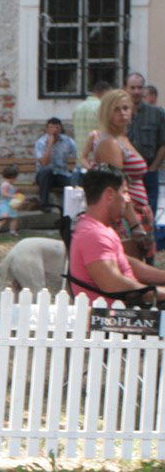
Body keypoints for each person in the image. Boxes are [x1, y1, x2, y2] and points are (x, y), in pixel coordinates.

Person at [68, 164, 165, 303]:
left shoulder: (102, 228)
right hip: (110, 320)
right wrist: (157, 293)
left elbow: (131, 266)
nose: (128, 200)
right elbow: (115, 286)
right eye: (125, 192)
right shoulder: (94, 235)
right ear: (109, 194)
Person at [93, 88, 155, 261]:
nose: (122, 113)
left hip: (138, 211)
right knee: (132, 271)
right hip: (124, 217)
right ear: (107, 112)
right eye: (116, 109)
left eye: (125, 108)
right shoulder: (109, 143)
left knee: (143, 269)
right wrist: (134, 223)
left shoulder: (122, 138)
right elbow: (119, 186)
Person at [125, 73, 165, 232]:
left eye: (139, 88)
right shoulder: (120, 112)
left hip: (149, 173)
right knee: (128, 221)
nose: (136, 91)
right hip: (126, 176)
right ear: (125, 89)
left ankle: (148, 255)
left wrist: (154, 167)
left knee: (149, 219)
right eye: (132, 87)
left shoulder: (156, 114)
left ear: (144, 90)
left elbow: (163, 144)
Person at [33, 117, 77, 211]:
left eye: (56, 127)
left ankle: (69, 211)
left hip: (61, 174)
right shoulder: (41, 142)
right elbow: (44, 163)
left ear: (60, 129)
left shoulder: (67, 141)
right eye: (51, 127)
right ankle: (44, 205)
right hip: (44, 175)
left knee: (73, 181)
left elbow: (78, 154)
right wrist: (50, 144)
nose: (54, 130)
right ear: (47, 129)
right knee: (47, 170)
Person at [73, 81, 111, 159]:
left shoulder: (77, 108)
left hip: (81, 157)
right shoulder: (102, 107)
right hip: (96, 159)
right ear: (105, 92)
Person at [0, 164, 22, 236]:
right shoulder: (5, 185)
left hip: (10, 204)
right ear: (12, 177)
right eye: (15, 178)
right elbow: (3, 194)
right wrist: (13, 196)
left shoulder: (9, 185)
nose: (16, 179)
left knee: (14, 218)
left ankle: (12, 231)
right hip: (5, 204)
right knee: (4, 219)